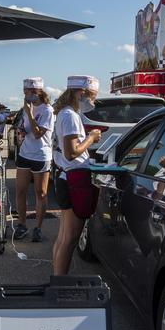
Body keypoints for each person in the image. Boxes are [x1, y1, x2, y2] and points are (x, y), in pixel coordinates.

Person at [50, 75, 103, 276]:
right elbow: (71, 153)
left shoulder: (65, 114)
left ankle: (57, 279)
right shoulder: (70, 116)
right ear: (81, 93)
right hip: (72, 178)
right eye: (93, 96)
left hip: (65, 177)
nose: (94, 101)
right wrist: (91, 137)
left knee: (64, 237)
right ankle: (59, 283)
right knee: (70, 238)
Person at [13, 77, 54, 242]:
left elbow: (38, 134)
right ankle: (22, 224)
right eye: (24, 92)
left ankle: (38, 227)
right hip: (25, 153)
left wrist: (30, 113)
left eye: (29, 92)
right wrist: (20, 130)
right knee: (20, 191)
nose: (26, 95)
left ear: (38, 92)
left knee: (41, 193)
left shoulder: (47, 111)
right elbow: (26, 129)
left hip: (41, 155)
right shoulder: (26, 108)